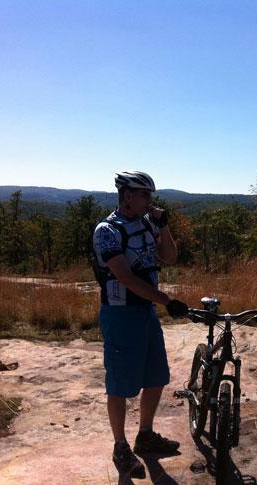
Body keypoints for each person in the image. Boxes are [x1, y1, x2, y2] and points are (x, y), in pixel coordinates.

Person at [92, 170, 189, 479]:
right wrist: (166, 301)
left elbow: (170, 257)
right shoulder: (107, 230)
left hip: (146, 312)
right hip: (120, 314)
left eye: (151, 195)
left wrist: (164, 226)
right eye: (145, 194)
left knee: (156, 376)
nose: (150, 200)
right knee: (120, 383)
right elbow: (125, 276)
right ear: (127, 195)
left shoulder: (148, 223)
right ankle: (120, 446)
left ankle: (145, 435)